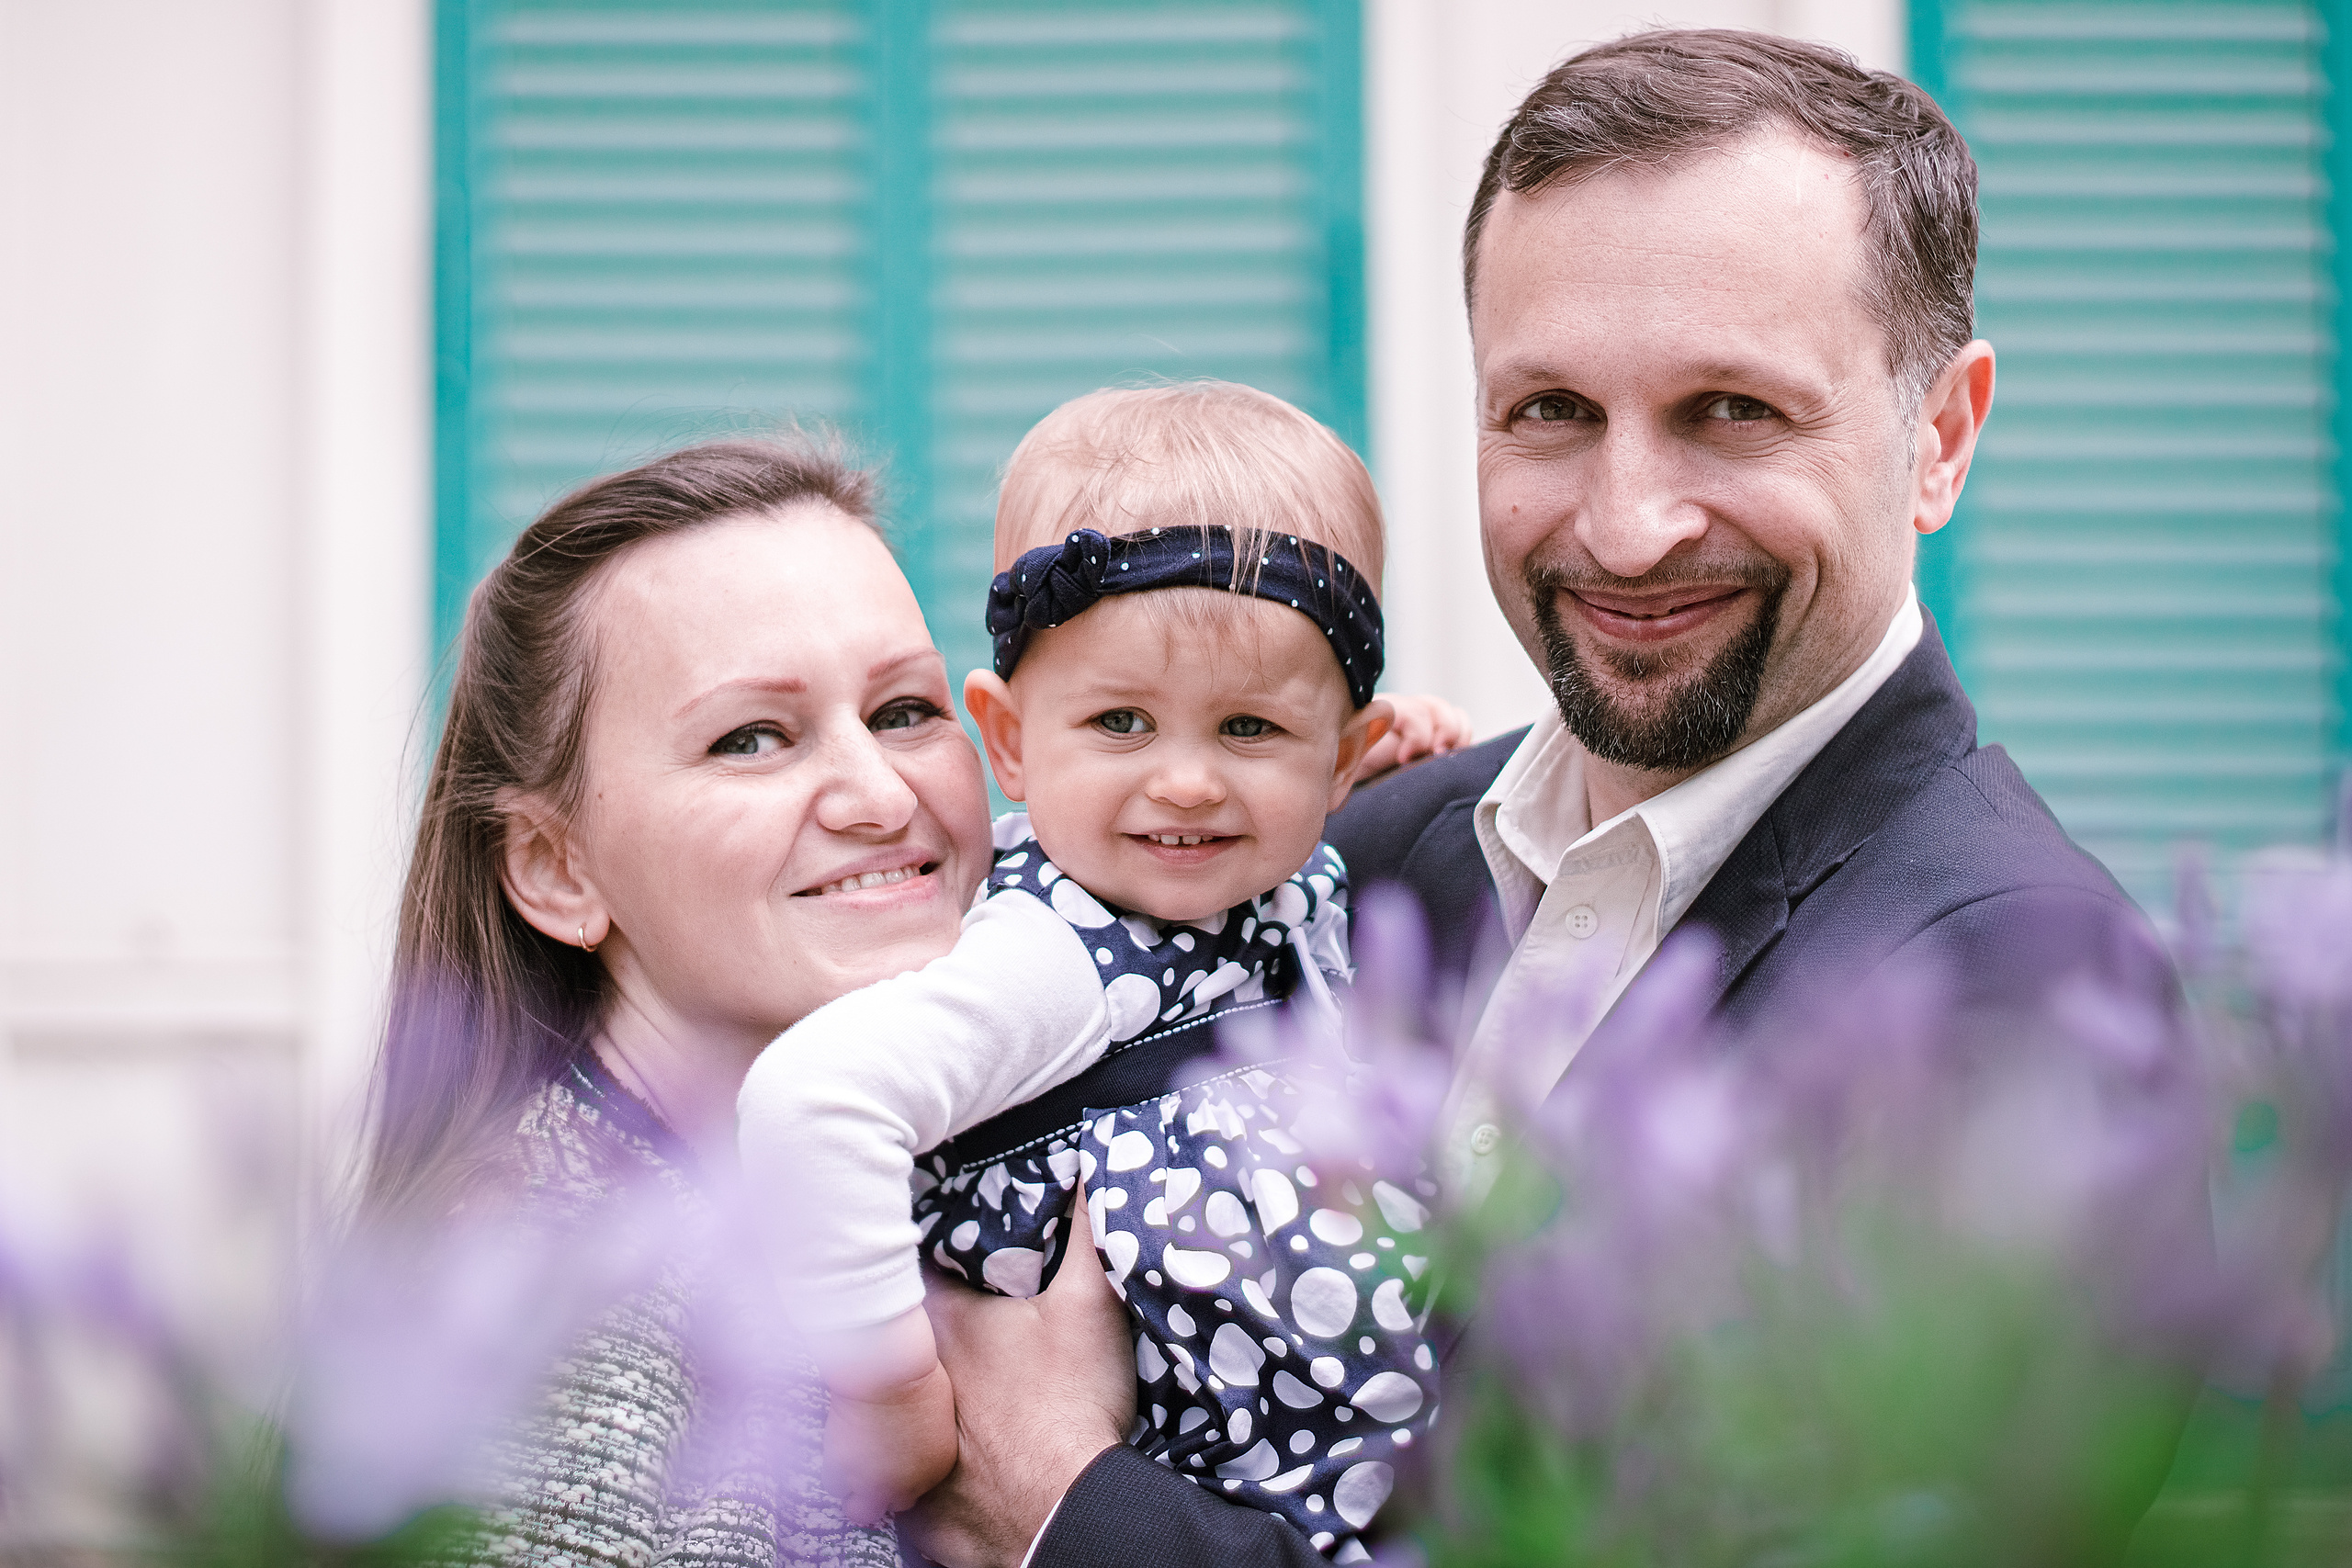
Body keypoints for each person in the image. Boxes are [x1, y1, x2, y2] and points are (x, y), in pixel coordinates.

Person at [899, 29, 2182, 1568]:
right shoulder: (1356, 849)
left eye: (1733, 412)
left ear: (1942, 436)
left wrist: (1063, 1496)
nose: (1627, 528)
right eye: (1551, 412)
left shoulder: (2024, 989)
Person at [352, 430, 1468, 1565]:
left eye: (901, 712)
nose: (882, 798)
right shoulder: (560, 1330)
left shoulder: (968, 1081)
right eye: (751, 739)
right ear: (556, 866)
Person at [735, 384, 1440, 1557]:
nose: (1186, 783)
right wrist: (892, 1391)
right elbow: (814, 1103)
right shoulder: (1049, 960)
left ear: (1341, 758)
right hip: (1177, 1490)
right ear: (1008, 741)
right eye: (1120, 723)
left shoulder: (1239, 884)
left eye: (1249, 731)